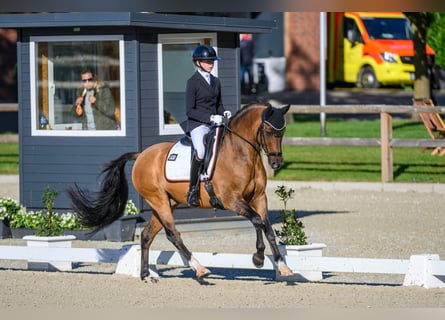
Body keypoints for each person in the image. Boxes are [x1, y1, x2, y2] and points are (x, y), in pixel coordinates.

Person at [180, 44, 230, 207]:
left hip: (214, 123)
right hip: (198, 124)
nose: (211, 64)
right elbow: (189, 110)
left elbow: (219, 104)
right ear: (198, 62)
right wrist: (210, 117)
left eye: (212, 61)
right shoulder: (192, 82)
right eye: (208, 61)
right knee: (201, 151)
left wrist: (224, 113)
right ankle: (192, 190)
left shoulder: (216, 81)